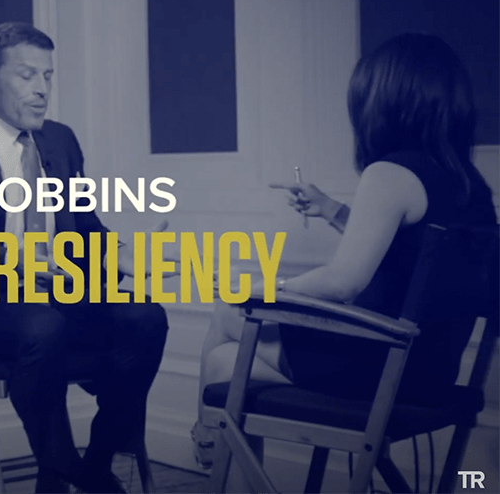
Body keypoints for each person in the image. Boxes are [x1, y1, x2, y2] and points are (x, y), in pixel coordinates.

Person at [191, 33, 498, 471]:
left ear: (383, 102)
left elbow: (342, 282)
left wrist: (265, 289)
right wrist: (332, 209)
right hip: (433, 372)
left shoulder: (389, 173)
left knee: (228, 313)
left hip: (382, 368)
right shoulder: (468, 184)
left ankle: (205, 440)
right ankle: (210, 442)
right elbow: (408, 255)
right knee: (226, 362)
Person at [0, 22, 171, 494]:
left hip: (58, 301)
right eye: (27, 76)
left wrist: (125, 255)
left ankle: (96, 463)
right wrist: (19, 262)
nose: (42, 89)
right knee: (44, 325)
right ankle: (62, 464)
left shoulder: (60, 140)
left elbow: (85, 228)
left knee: (145, 317)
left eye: (48, 76)